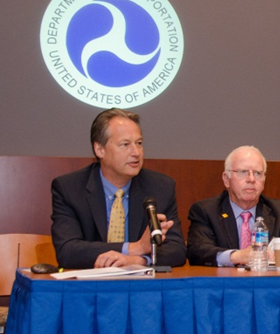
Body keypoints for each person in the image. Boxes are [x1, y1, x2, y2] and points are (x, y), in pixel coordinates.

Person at [51, 109, 187, 269]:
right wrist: (135, 248)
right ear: (99, 150)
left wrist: (139, 260)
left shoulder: (160, 187)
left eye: (139, 143)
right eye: (125, 144)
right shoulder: (70, 188)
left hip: (140, 287)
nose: (136, 153)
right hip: (89, 287)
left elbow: (177, 250)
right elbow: (67, 251)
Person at [187, 146, 280, 266]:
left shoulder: (279, 211)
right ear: (226, 179)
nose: (251, 179)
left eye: (257, 173)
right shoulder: (207, 210)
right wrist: (237, 256)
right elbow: (197, 251)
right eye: (243, 172)